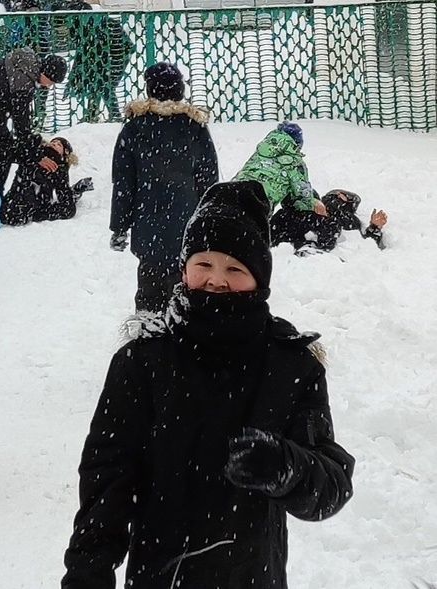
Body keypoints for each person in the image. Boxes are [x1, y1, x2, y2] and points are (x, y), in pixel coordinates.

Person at [63, 180, 355, 589]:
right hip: (158, 574)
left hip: (252, 575)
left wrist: (286, 467)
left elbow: (333, 485)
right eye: (204, 263)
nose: (217, 279)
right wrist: (87, 573)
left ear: (259, 278)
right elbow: (106, 479)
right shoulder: (143, 360)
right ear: (184, 268)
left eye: (234, 268)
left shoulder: (290, 364)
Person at [110, 62, 219, 314]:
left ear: (149, 90)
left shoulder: (134, 128)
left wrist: (119, 226)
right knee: (186, 282)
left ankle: (148, 336)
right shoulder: (194, 127)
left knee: (149, 288)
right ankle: (184, 334)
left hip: (148, 221)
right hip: (187, 221)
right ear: (180, 90)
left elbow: (124, 183)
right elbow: (208, 180)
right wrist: (209, 219)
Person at [0, 47, 68, 194]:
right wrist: (36, 155)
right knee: (3, 151)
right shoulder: (24, 80)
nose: (50, 85)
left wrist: (31, 149)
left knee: (4, 150)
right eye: (51, 81)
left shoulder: (27, 69)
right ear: (46, 73)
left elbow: (21, 120)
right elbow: (21, 122)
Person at [235, 121, 327, 217]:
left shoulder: (260, 153)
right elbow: (303, 198)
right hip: (256, 203)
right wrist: (315, 203)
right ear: (297, 144)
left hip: (231, 191)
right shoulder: (295, 163)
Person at [0, 136, 93, 225]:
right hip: (11, 207)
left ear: (65, 153)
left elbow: (67, 207)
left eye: (59, 144)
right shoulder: (33, 154)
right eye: (52, 142)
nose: (54, 144)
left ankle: (74, 192)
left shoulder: (60, 170)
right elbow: (11, 153)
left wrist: (39, 214)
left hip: (30, 209)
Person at [66, 4, 134, 123]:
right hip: (106, 57)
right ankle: (93, 113)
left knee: (104, 84)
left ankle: (114, 115)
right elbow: (82, 52)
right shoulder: (87, 26)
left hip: (116, 56)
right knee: (97, 82)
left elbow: (84, 52)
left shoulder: (95, 25)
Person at [271, 188, 388, 253]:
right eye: (337, 194)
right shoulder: (311, 199)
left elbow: (366, 248)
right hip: (278, 238)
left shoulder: (342, 220)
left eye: (343, 198)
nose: (338, 197)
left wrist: (375, 227)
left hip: (309, 252)